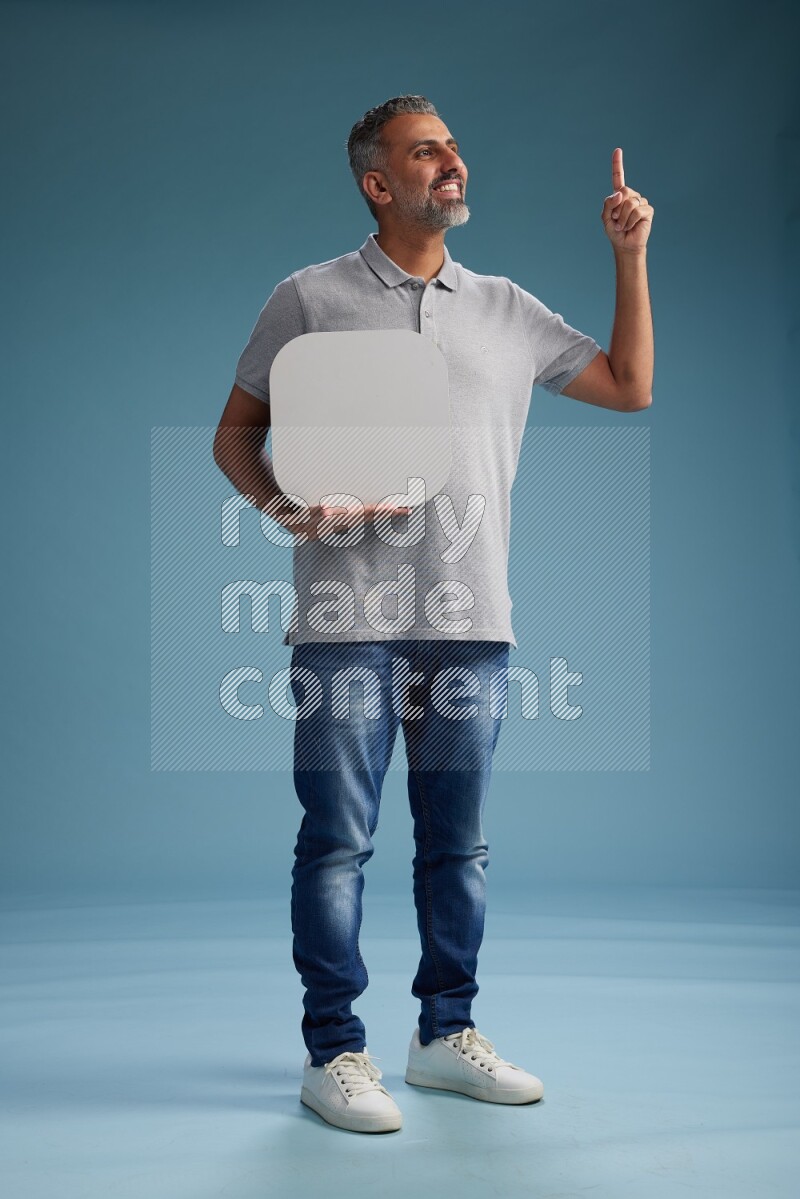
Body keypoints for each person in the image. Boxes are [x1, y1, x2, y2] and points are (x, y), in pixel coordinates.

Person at [213, 95, 654, 1134]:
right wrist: (283, 507)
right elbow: (236, 433)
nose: (453, 162)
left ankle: (441, 1034)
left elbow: (629, 386)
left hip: (471, 618)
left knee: (457, 846)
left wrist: (627, 254)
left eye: (454, 147)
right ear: (378, 183)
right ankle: (336, 1050)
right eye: (427, 151)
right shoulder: (307, 298)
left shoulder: (505, 307)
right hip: (342, 620)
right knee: (337, 842)